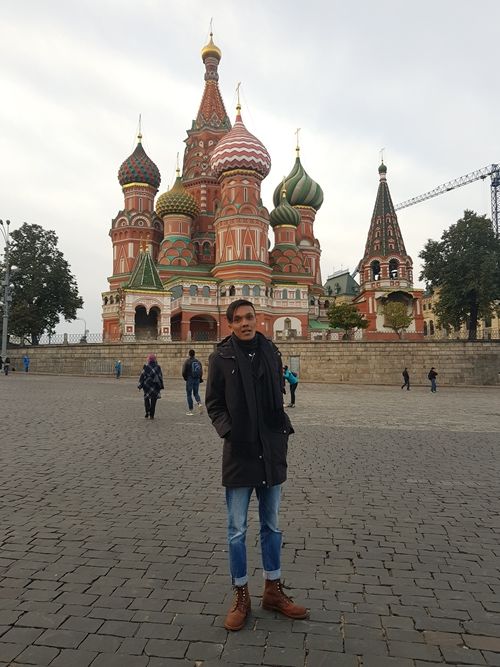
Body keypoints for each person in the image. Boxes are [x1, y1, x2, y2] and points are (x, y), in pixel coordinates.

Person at [206, 299, 308, 632]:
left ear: (257, 319)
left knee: (272, 526)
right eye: (238, 319)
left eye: (250, 317)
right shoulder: (221, 358)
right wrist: (230, 432)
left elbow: (278, 395)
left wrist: (281, 430)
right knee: (236, 530)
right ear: (230, 324)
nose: (246, 323)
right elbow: (214, 404)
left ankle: (273, 591)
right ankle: (241, 596)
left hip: (270, 451)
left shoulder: (271, 352)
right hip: (240, 452)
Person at [138, 354, 164, 420]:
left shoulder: (146, 366)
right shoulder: (158, 367)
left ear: (149, 359)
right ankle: (152, 415)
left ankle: (147, 412)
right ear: (155, 359)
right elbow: (160, 376)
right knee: (154, 400)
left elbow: (142, 376)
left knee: (146, 398)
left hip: (147, 385)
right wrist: (161, 385)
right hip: (155, 385)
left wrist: (140, 384)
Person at [182, 349, 203, 416]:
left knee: (189, 394)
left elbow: (184, 372)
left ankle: (190, 410)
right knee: (196, 393)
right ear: (194, 354)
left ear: (189, 354)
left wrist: (185, 378)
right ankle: (199, 404)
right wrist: (199, 378)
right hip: (197, 379)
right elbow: (201, 371)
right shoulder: (198, 362)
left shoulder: (187, 361)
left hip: (190, 379)